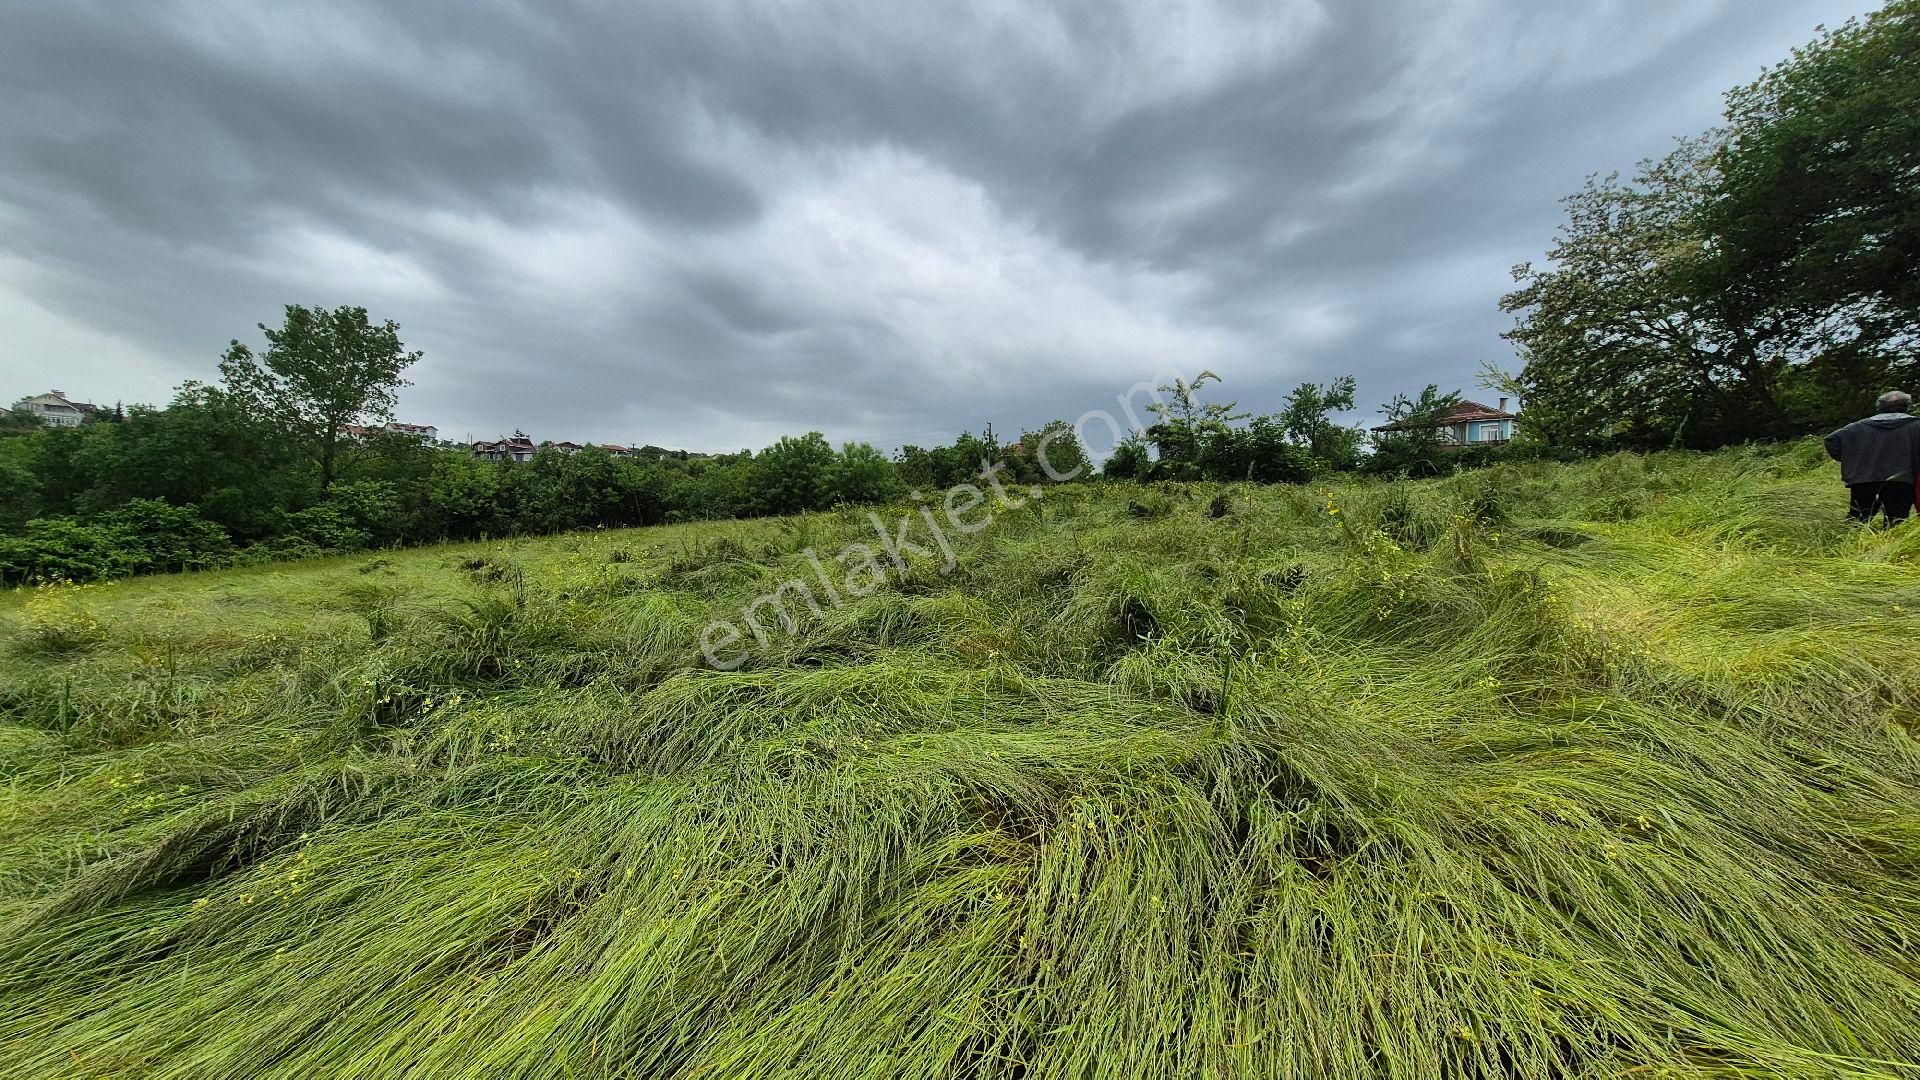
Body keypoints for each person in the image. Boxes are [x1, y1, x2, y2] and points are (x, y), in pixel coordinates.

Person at [1824, 391, 1920, 525]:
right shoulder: (1916, 425)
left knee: (1857, 518)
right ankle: (1890, 545)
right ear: (1906, 406)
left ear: (1880, 407)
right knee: (1896, 520)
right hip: (1901, 479)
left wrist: (1849, 458)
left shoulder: (1858, 426)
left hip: (1863, 478)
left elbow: (1831, 440)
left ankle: (1846, 544)